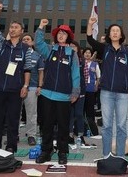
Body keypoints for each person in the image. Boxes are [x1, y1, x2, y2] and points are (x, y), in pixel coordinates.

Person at [87, 16, 128, 158]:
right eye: (112, 31)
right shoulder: (105, 49)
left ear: (121, 35)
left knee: (122, 126)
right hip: (106, 93)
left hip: (123, 94)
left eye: (117, 31)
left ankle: (121, 156)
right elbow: (90, 39)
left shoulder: (127, 51)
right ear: (109, 35)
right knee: (107, 126)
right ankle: (107, 156)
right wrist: (90, 24)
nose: (115, 33)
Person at [0, 3, 32, 153]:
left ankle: (11, 146)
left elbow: (27, 69)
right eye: (11, 27)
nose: (12, 30)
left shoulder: (26, 49)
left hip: (15, 91)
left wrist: (25, 87)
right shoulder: (1, 44)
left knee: (13, 121)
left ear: (21, 31)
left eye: (16, 28)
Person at [34, 20, 79, 166]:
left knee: (63, 127)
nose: (61, 35)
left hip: (64, 96)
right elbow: (38, 43)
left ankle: (62, 152)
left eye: (64, 34)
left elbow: (76, 74)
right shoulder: (49, 50)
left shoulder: (72, 54)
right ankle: (46, 151)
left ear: (68, 37)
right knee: (46, 125)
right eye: (59, 33)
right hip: (47, 94)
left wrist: (75, 92)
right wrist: (41, 27)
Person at [22, 33, 43, 146]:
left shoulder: (37, 55)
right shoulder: (18, 53)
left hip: (32, 87)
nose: (25, 41)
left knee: (31, 113)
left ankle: (31, 135)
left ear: (32, 42)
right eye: (23, 39)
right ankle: (14, 134)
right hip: (17, 87)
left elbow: (41, 72)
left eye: (28, 39)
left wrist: (40, 86)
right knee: (14, 113)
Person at [83, 46, 100, 136]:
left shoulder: (95, 64)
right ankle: (81, 129)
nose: (87, 54)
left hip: (91, 89)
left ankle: (91, 129)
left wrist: (96, 86)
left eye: (89, 53)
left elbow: (98, 77)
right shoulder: (81, 63)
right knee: (82, 109)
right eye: (86, 52)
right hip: (82, 89)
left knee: (90, 110)